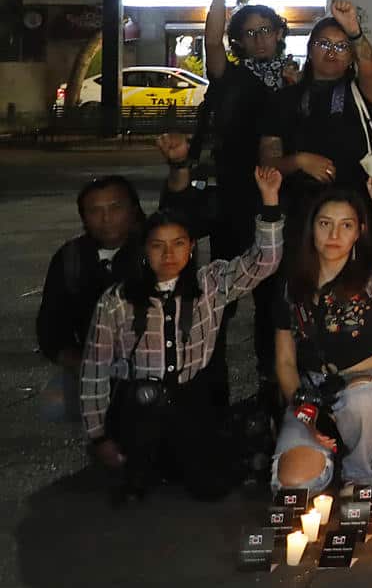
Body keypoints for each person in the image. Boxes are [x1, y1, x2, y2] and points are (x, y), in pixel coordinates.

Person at [80, 167, 286, 502]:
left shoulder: (211, 284)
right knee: (138, 474)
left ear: (191, 247)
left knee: (209, 486)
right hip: (139, 407)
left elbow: (264, 261)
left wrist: (270, 201)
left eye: (178, 244)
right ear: (144, 251)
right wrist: (98, 436)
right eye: (158, 246)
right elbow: (95, 370)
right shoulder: (117, 300)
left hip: (191, 401)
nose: (169, 254)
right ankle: (139, 466)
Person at [270, 178, 372, 492]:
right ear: (311, 228)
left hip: (371, 395)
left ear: (359, 231)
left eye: (346, 225)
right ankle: (325, 453)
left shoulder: (371, 277)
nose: (334, 235)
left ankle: (359, 473)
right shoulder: (291, 288)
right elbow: (285, 362)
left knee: (362, 397)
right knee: (294, 483)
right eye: (325, 224)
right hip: (314, 395)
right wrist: (307, 413)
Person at [200, 0, 298, 400]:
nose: (260, 39)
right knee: (222, 295)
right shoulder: (231, 78)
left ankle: (270, 385)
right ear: (238, 40)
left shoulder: (299, 78)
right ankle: (206, 382)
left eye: (266, 30)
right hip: (236, 201)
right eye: (250, 33)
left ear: (280, 33)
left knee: (274, 299)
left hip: (284, 200)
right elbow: (211, 45)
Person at [259, 0, 372, 221]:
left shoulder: (362, 94)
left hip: (356, 212)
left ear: (351, 57)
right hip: (299, 212)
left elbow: (369, 62)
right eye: (324, 44)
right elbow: (267, 163)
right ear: (310, 50)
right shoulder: (283, 100)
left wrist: (355, 32)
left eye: (341, 46)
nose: (332, 52)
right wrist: (300, 161)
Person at [38, 166, 150, 423]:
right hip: (95, 362)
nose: (106, 218)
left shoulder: (154, 250)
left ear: (134, 210)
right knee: (54, 404)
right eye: (95, 211)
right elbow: (49, 328)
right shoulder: (70, 257)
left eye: (115, 207)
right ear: (84, 218)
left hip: (151, 363)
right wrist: (82, 365)